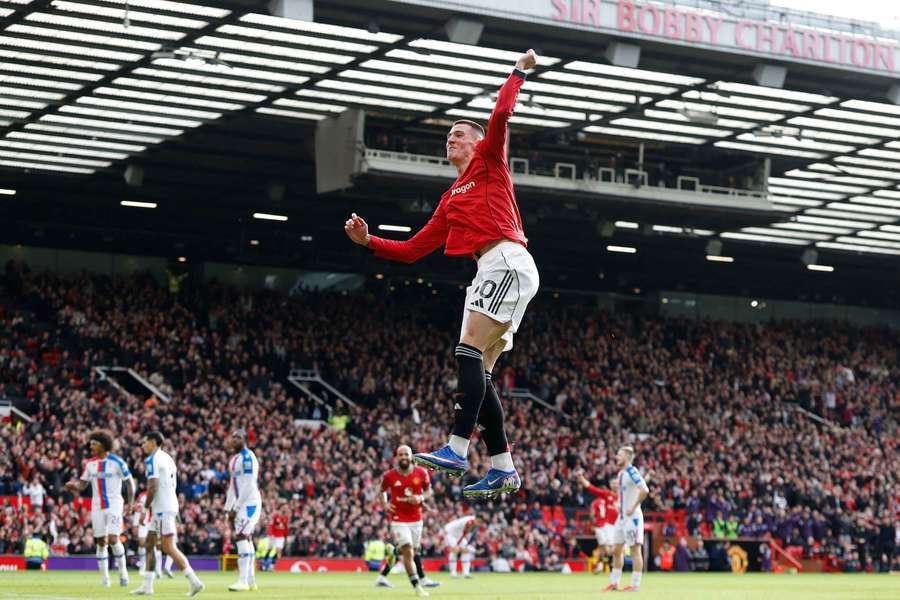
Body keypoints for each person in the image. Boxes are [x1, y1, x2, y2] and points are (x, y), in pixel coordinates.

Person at [344, 49, 541, 499]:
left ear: (476, 142)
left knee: (467, 348)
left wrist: (517, 72)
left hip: (506, 259)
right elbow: (414, 249)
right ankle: (503, 467)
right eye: (448, 136)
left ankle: (456, 447)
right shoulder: (452, 197)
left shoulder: (490, 162)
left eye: (458, 134)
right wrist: (370, 242)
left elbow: (502, 116)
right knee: (482, 370)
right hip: (493, 268)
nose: (450, 139)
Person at [130, 431, 204, 597]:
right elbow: (171, 485)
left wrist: (145, 508)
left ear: (153, 442)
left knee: (168, 547)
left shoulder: (152, 460)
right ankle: (147, 586)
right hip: (166, 506)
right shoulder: (168, 458)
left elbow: (153, 486)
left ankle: (194, 581)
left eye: (145, 442)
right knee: (149, 543)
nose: (143, 445)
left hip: (162, 508)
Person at [63, 429, 134, 588]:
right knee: (101, 542)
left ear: (103, 445)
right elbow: (82, 485)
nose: (91, 446)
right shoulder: (90, 465)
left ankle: (123, 573)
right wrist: (72, 486)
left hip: (115, 505)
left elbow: (130, 483)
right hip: (97, 506)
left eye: (94, 444)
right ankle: (105, 579)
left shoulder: (117, 462)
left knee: (114, 539)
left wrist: (130, 503)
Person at [377, 445, 437, 596]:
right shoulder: (389, 476)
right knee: (409, 550)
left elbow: (429, 491)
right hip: (397, 518)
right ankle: (417, 586)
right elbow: (382, 491)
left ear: (411, 457)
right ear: (396, 457)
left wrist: (421, 497)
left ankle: (394, 553)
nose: (403, 457)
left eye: (406, 454)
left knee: (413, 550)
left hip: (417, 519)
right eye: (400, 454)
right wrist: (384, 504)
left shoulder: (421, 473)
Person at [603, 446, 649, 593]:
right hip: (621, 518)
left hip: (633, 517)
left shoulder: (632, 471)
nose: (617, 457)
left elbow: (644, 490)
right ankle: (614, 582)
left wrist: (633, 506)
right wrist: (620, 505)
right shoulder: (621, 474)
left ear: (628, 457)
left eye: (619, 455)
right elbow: (626, 493)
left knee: (635, 550)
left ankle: (635, 585)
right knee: (616, 550)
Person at [224, 428, 262, 592]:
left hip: (250, 503)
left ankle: (243, 581)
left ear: (245, 440)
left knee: (241, 536)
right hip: (240, 504)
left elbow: (248, 485)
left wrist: (236, 508)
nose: (234, 440)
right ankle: (251, 581)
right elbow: (233, 486)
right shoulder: (234, 460)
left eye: (238, 437)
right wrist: (228, 508)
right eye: (233, 437)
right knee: (246, 539)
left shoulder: (248, 458)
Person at [576, 470, 617, 573]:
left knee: (611, 549)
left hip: (617, 526)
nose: (614, 485)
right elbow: (591, 488)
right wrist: (581, 478)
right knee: (605, 548)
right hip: (605, 526)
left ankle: (605, 563)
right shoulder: (607, 495)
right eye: (612, 483)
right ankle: (606, 564)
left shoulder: (624, 495)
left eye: (615, 482)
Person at [132, 490, 162, 579]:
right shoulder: (142, 495)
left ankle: (158, 570)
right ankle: (142, 567)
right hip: (144, 522)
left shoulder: (160, 493)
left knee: (157, 545)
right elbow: (138, 509)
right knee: (142, 543)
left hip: (156, 521)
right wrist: (135, 524)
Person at [444, 512, 481, 579]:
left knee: (465, 551)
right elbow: (465, 533)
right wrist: (460, 547)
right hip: (450, 532)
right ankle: (453, 574)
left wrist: (464, 548)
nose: (479, 524)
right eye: (479, 521)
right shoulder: (469, 522)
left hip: (458, 534)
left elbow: (464, 534)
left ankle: (466, 573)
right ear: (476, 519)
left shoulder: (473, 521)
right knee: (455, 550)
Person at [264, 504, 289, 572]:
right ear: (281, 508)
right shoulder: (275, 516)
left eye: (287, 508)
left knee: (278, 550)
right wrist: (271, 534)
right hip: (273, 536)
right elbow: (271, 525)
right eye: (285, 508)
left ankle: (273, 565)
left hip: (280, 536)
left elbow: (286, 528)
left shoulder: (286, 517)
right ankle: (264, 563)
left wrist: (286, 536)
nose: (286, 509)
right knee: (270, 549)